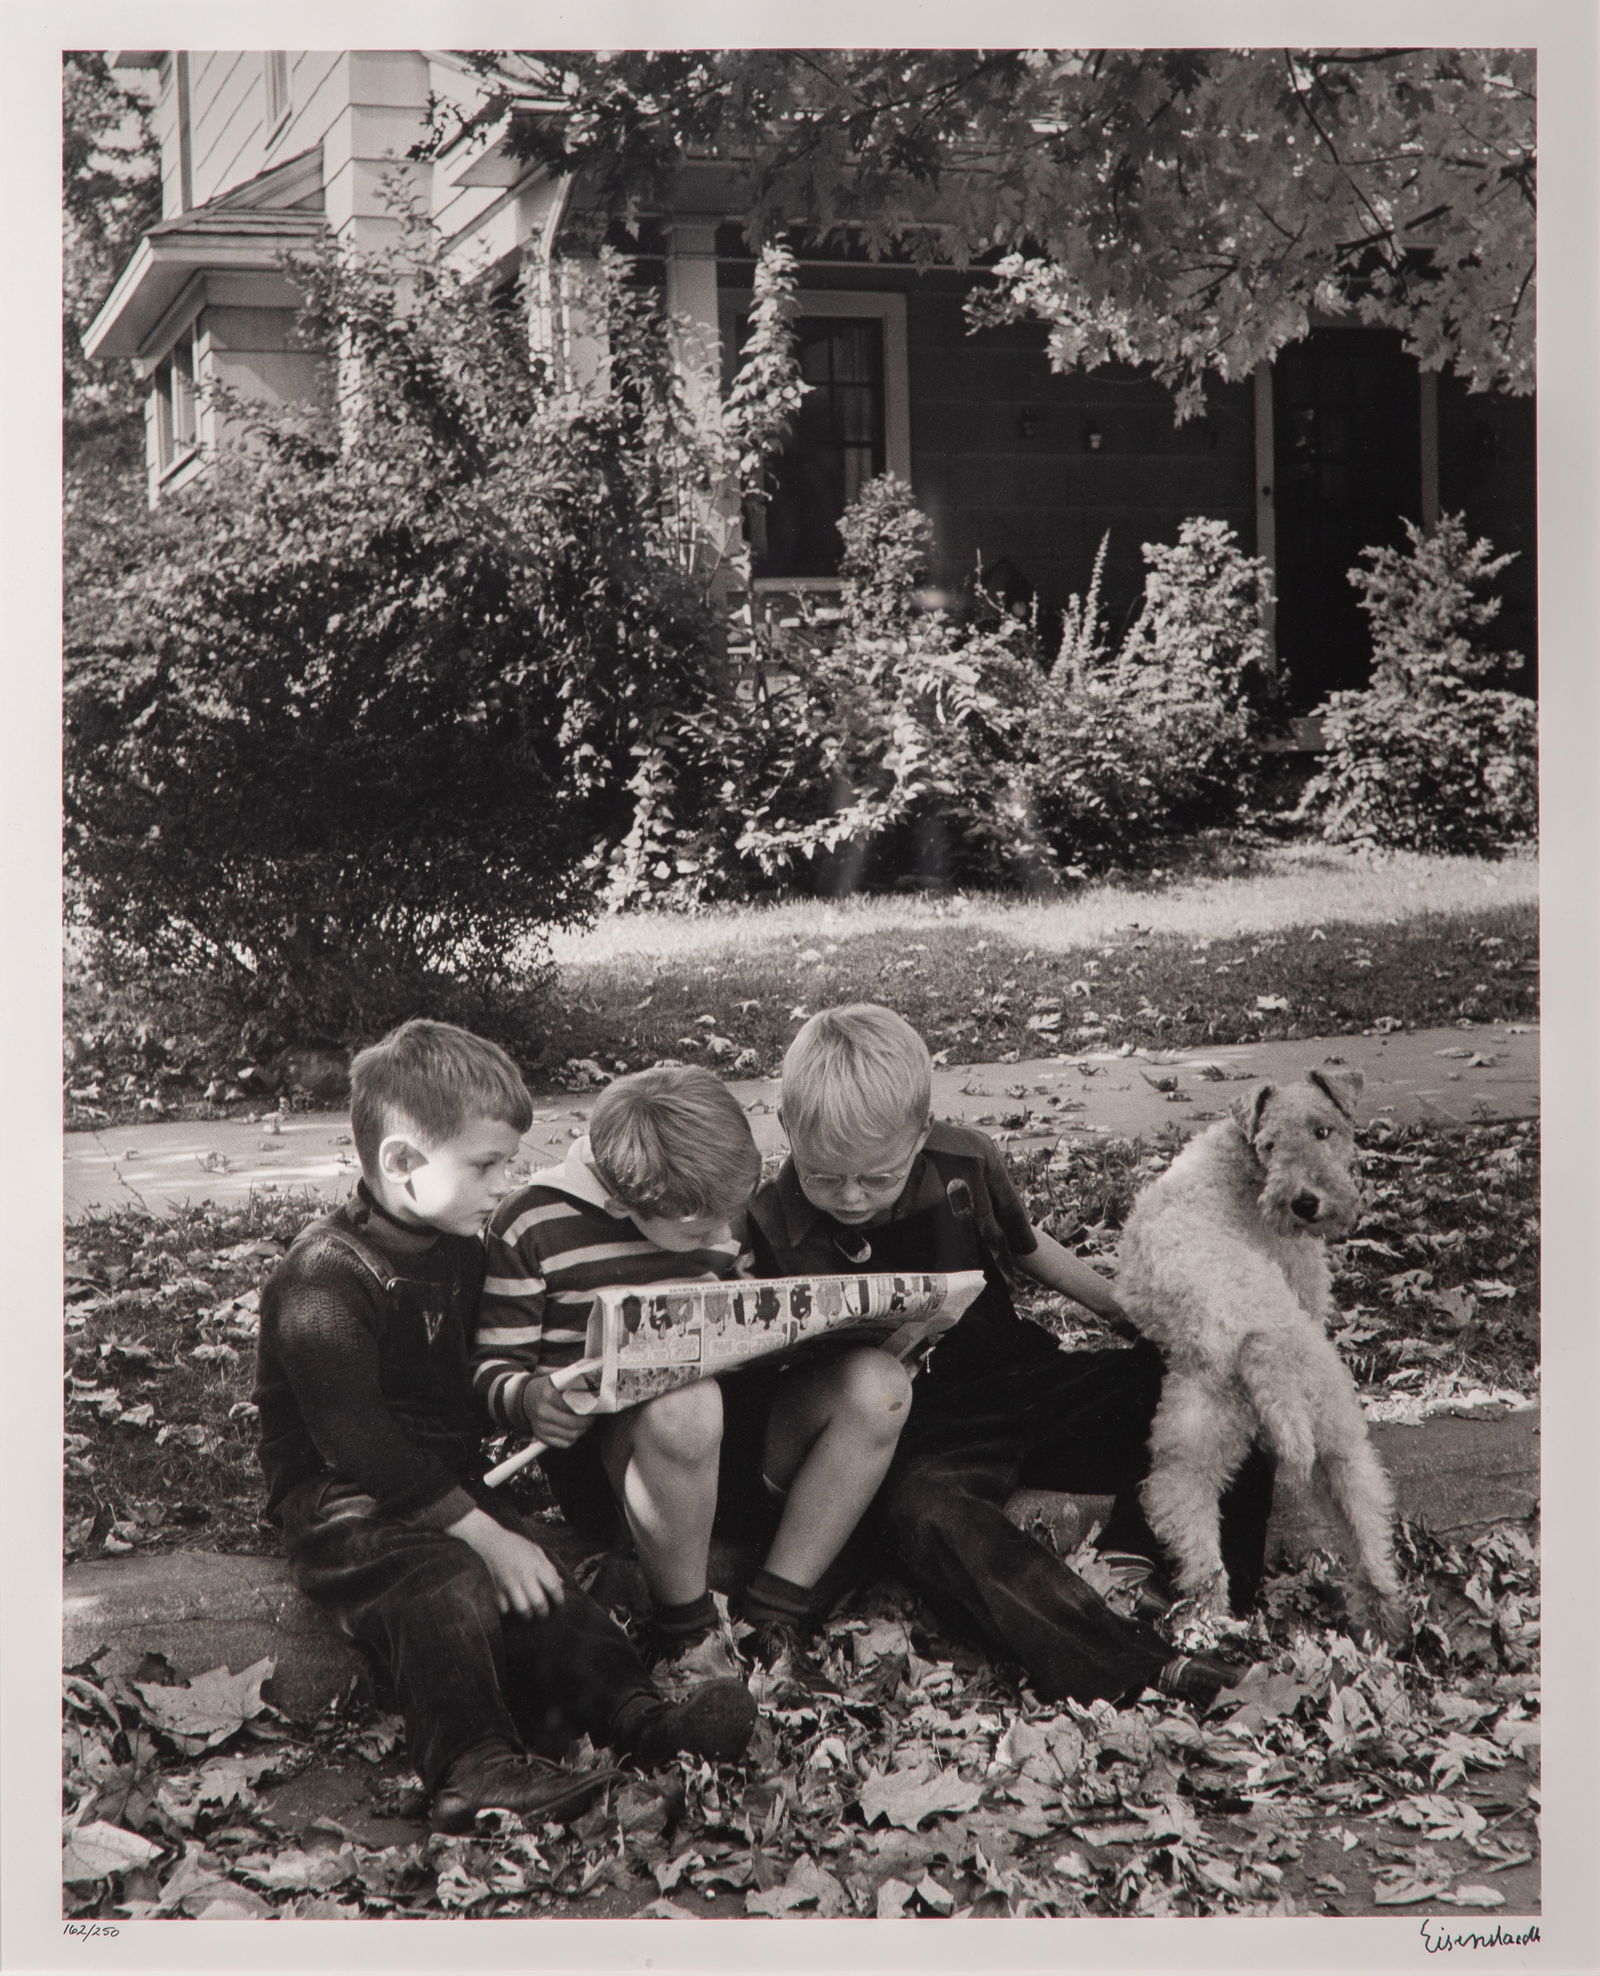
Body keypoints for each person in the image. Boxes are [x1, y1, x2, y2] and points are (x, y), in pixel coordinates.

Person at [254, 1021, 755, 1837]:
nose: (504, 1185)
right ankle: (469, 1766)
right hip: (341, 1500)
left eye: (507, 1163)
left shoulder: (457, 1249)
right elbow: (360, 1444)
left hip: (443, 1485)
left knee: (549, 1590)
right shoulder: (324, 1278)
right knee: (449, 1583)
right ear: (402, 1165)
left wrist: (526, 1401)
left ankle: (637, 1720)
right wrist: (489, 1538)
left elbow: (468, 1380)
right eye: (486, 1166)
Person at [744, 1004, 1274, 1708]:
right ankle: (1130, 1666)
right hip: (919, 1429)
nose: (849, 1197)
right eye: (824, 1176)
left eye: (877, 1179)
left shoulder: (965, 1161)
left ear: (921, 1132)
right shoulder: (766, 1222)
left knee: (1238, 1375)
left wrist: (1129, 1311)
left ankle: (1175, 1580)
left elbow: (1028, 1253)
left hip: (1024, 1377)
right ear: (787, 1131)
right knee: (929, 1515)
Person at [473, 1064, 913, 1672]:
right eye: (705, 1228)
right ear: (628, 1203)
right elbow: (492, 1365)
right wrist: (528, 1399)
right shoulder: (532, 1224)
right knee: (687, 1401)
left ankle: (775, 1612)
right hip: (627, 1470)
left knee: (880, 1386)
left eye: (729, 1220)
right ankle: (687, 1631)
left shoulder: (717, 1208)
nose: (725, 1233)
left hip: (734, 1438)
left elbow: (743, 1303)